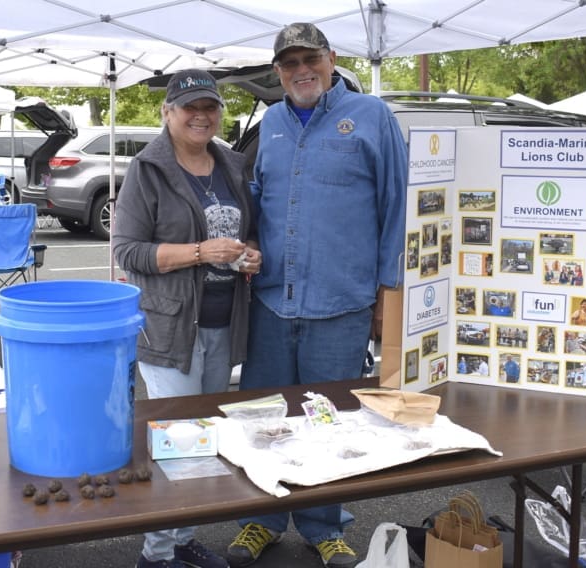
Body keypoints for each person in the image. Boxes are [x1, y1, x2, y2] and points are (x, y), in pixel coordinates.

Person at [227, 23, 406, 568]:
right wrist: (248, 242)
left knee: (330, 421)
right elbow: (259, 199)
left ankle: (324, 525)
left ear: (331, 59)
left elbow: (397, 208)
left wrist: (388, 295)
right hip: (272, 302)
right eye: (290, 63)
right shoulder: (272, 122)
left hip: (342, 304)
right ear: (278, 71)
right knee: (263, 417)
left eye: (310, 59)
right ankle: (260, 519)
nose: (301, 71)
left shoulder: (372, 116)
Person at [113, 69, 260, 568]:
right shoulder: (148, 169)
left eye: (209, 106)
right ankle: (156, 555)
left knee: (203, 440)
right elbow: (128, 251)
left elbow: (247, 230)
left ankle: (181, 538)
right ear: (168, 112)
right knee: (177, 442)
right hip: (170, 327)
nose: (201, 116)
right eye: (189, 107)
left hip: (222, 322)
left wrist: (250, 253)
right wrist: (199, 252)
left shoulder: (232, 163)